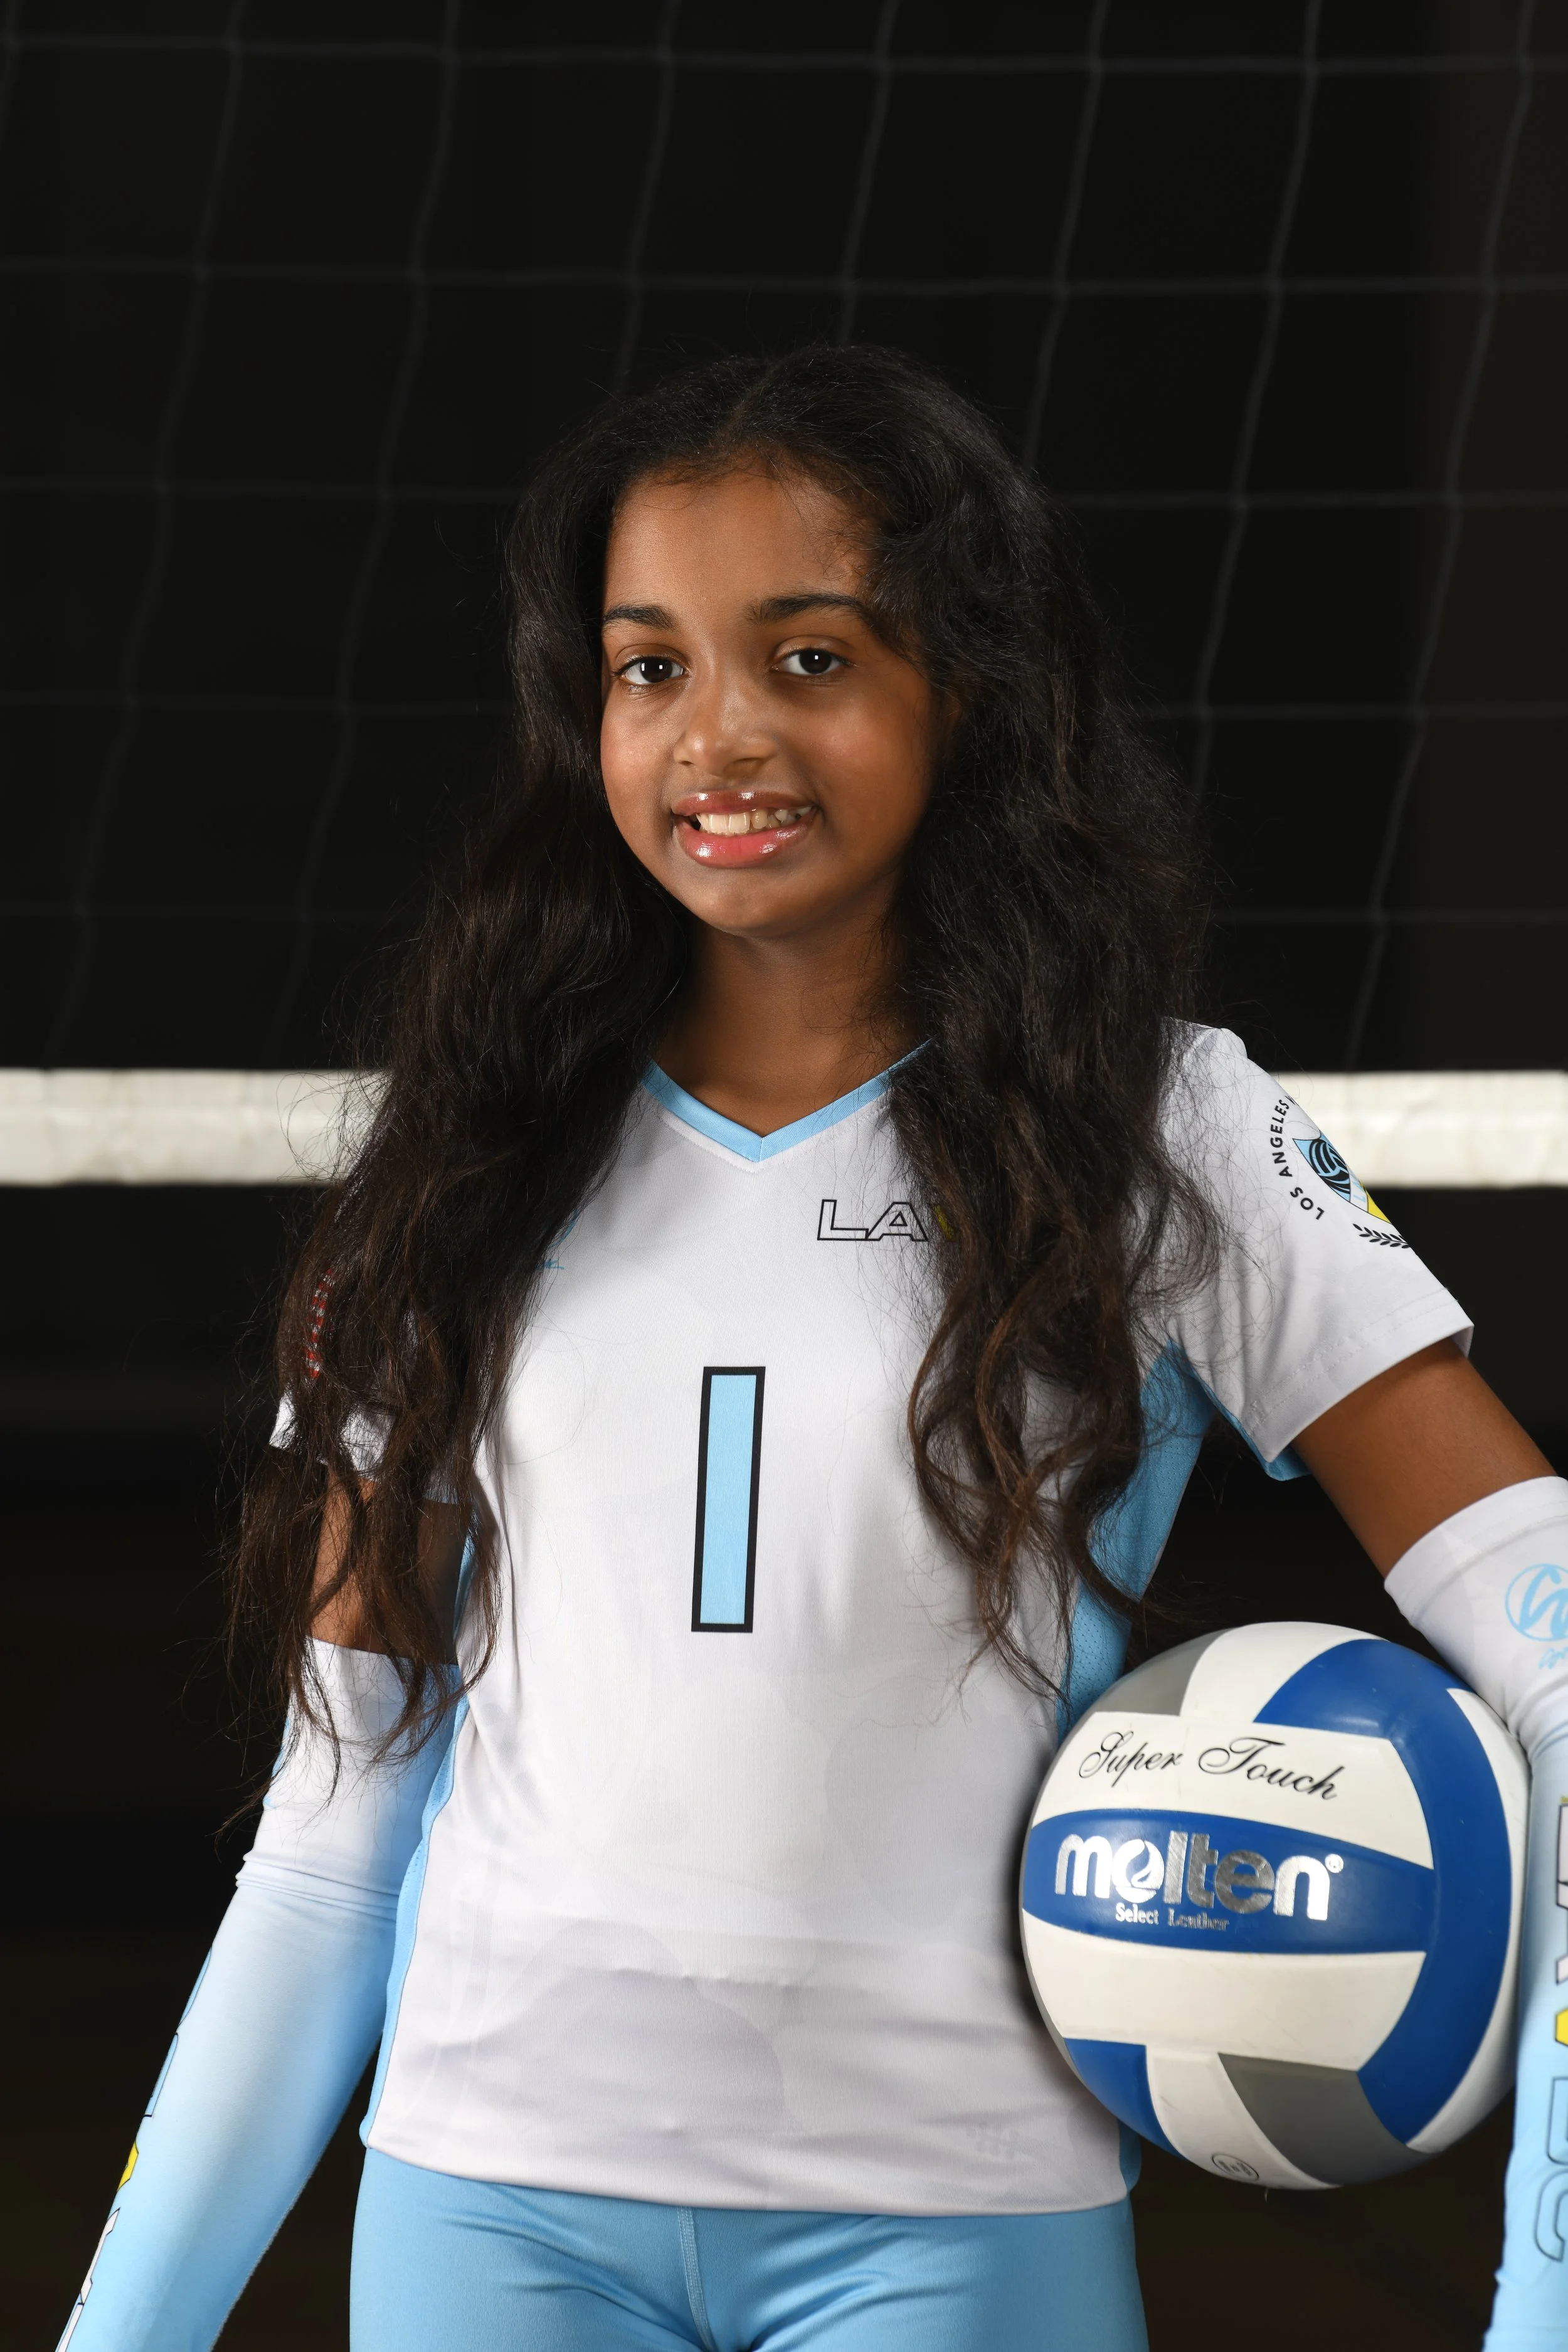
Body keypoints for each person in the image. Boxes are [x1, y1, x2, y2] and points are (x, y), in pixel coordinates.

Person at [57, 346, 1566, 2351]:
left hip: (952, 2221)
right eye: (648, 665)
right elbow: (332, 1848)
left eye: (811, 656)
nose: (719, 736)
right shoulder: (468, 1152)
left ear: (970, 687)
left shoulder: (1158, 1127)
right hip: (486, 2207)